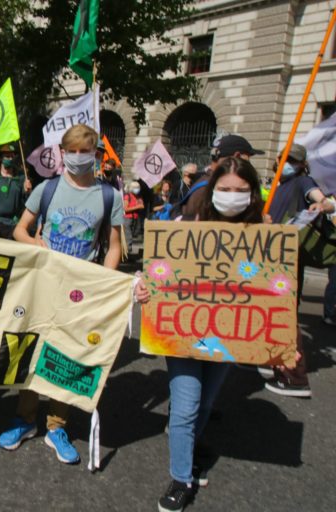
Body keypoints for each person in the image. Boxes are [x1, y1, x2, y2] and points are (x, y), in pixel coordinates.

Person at [0, 124, 149, 464]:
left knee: (66, 356)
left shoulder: (108, 195)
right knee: (34, 351)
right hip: (44, 287)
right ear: (63, 153)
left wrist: (104, 286)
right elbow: (20, 230)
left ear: (95, 154)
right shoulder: (46, 189)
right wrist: (37, 244)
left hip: (80, 294)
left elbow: (112, 246)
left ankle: (56, 426)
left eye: (86, 151)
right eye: (73, 150)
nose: (79, 157)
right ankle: (24, 421)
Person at [158, 156, 266, 512]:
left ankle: (191, 446)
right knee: (186, 406)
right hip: (184, 333)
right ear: (211, 190)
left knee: (205, 403)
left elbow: (275, 294)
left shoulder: (264, 234)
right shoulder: (184, 224)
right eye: (225, 190)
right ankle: (181, 478)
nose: (232, 196)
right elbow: (160, 274)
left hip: (228, 334)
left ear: (252, 195)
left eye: (241, 191)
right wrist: (146, 290)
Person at [264, 143, 334, 397]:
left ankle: (294, 376)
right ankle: (272, 361)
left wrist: (323, 206)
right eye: (284, 158)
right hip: (272, 258)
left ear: (301, 163)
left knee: (284, 315)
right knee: (272, 311)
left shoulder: (303, 181)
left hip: (287, 260)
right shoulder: (278, 186)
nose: (286, 163)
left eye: (291, 160)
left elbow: (322, 200)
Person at [181, 135, 264, 217]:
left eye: (241, 191)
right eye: (224, 190)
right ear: (237, 156)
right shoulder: (206, 188)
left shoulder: (204, 182)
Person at [0, 143, 29, 240]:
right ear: (1, 158)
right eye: (7, 156)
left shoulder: (21, 178)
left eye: (12, 156)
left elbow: (27, 203)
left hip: (14, 224)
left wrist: (28, 192)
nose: (10, 159)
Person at [123, 181, 145, 254]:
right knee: (128, 236)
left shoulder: (138, 197)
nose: (137, 189)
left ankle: (127, 251)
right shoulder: (127, 196)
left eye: (138, 188)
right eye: (135, 188)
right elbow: (125, 208)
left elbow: (142, 205)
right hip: (127, 218)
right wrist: (137, 206)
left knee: (131, 234)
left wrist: (139, 205)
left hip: (135, 218)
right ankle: (128, 251)